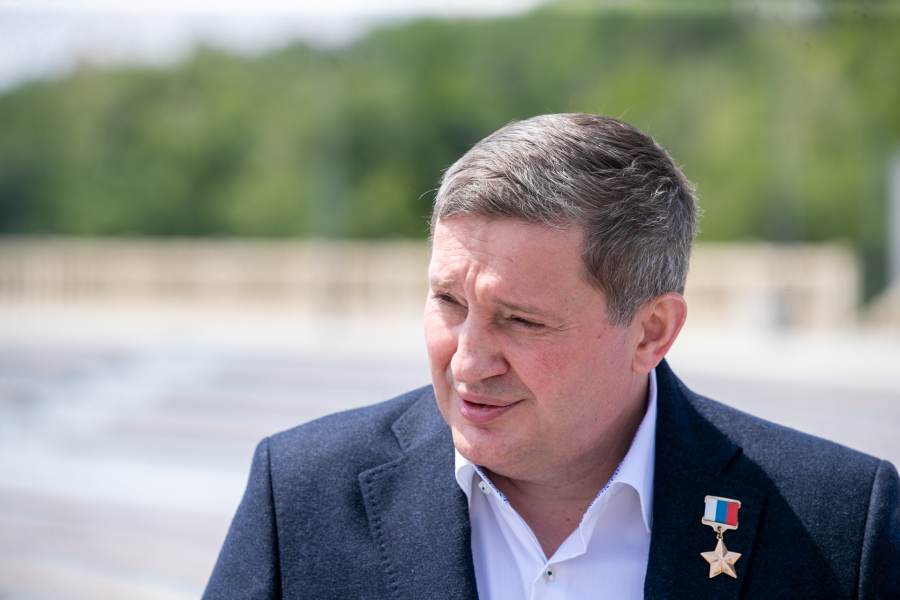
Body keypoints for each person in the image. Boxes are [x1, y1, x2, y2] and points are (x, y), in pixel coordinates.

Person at [202, 114, 899, 599]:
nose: (468, 361)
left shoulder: (840, 523)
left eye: (521, 320)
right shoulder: (301, 494)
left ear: (652, 332)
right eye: (449, 301)